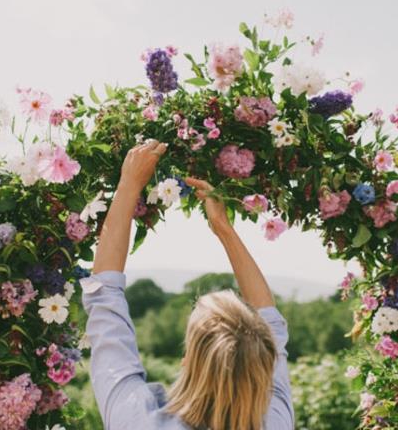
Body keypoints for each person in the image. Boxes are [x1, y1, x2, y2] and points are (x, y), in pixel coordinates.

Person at [80, 139, 294, 430]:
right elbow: (271, 321)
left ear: (188, 361)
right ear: (263, 367)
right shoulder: (275, 423)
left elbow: (103, 295)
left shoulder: (138, 420)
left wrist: (129, 184)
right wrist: (224, 229)